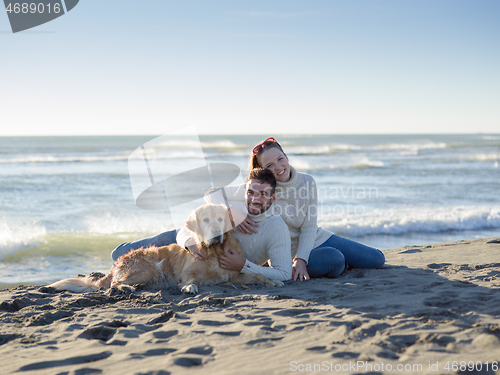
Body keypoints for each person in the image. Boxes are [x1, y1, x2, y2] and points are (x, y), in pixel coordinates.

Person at [204, 137, 385, 281]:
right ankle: (337, 264)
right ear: (263, 170)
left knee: (377, 259)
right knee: (335, 259)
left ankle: (335, 263)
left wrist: (301, 260)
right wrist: (232, 211)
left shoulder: (307, 182)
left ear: (287, 157)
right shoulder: (261, 190)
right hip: (286, 252)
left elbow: (308, 227)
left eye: (280, 159)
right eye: (269, 165)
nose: (278, 167)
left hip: (317, 237)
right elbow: (212, 193)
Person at [112, 168, 292, 282]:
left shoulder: (276, 227)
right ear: (244, 192)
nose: (254, 199)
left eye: (262, 194)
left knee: (134, 269)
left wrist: (244, 265)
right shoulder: (233, 209)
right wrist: (189, 243)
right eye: (251, 192)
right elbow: (208, 197)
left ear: (273, 197)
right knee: (121, 255)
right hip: (188, 240)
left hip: (206, 254)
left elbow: (284, 274)